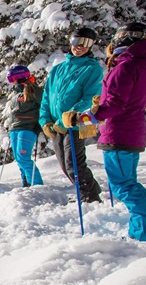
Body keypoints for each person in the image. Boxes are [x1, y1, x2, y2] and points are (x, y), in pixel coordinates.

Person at [70, 22, 146, 242]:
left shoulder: (125, 66)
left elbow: (115, 104)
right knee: (129, 184)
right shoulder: (139, 64)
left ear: (125, 39)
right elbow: (121, 99)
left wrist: (82, 117)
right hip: (129, 130)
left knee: (124, 186)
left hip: (119, 132)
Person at [38, 27, 104, 203]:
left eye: (86, 43)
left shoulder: (92, 69)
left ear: (91, 46)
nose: (80, 46)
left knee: (73, 163)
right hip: (57, 124)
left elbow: (90, 98)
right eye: (76, 41)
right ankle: (91, 190)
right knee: (64, 166)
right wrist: (45, 120)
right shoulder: (58, 69)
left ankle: (89, 197)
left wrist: (64, 120)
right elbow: (47, 96)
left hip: (77, 122)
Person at [6, 65, 44, 187]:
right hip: (15, 128)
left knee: (23, 158)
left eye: (11, 79)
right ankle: (26, 186)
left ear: (18, 77)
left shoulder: (34, 90)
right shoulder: (15, 93)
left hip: (28, 127)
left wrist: (40, 124)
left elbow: (45, 106)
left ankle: (37, 186)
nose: (10, 82)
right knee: (19, 160)